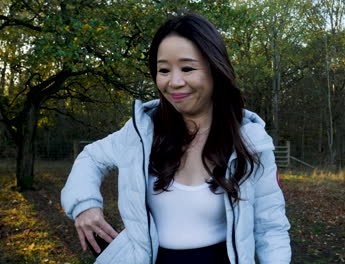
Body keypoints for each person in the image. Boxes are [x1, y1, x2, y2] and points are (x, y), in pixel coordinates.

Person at [61, 13, 291, 264]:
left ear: (215, 69)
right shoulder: (141, 133)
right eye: (163, 70)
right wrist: (84, 204)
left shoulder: (250, 141)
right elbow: (91, 156)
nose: (175, 82)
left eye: (188, 68)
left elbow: (271, 228)